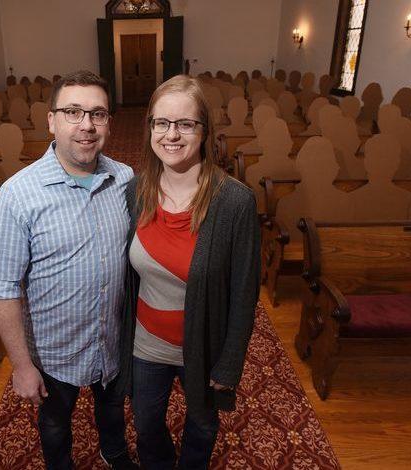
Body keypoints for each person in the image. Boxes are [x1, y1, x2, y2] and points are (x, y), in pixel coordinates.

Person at [0, 70, 137, 470]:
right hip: (55, 350)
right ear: (51, 120)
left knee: (112, 410)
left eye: (98, 114)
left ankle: (113, 452)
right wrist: (21, 366)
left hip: (111, 338)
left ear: (108, 122)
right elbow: (3, 289)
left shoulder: (125, 179)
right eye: (73, 112)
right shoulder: (17, 195)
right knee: (55, 422)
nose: (86, 125)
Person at [115, 75, 261, 469]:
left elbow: (245, 294)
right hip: (146, 343)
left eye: (185, 124)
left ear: (204, 131)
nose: (171, 135)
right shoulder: (135, 191)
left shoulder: (235, 202)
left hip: (204, 345)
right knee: (146, 426)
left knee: (202, 425)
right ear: (150, 128)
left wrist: (229, 363)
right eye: (161, 123)